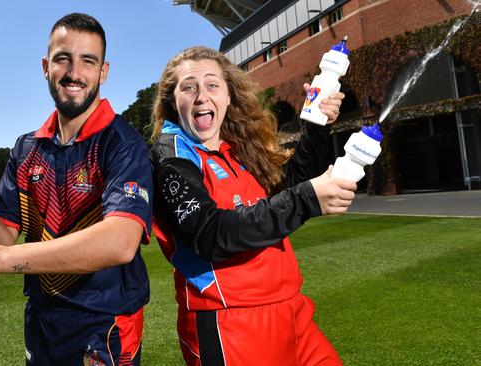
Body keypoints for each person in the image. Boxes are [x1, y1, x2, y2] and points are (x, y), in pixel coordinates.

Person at [0, 13, 152, 366]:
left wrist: (1, 259)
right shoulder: (27, 149)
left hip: (105, 325)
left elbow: (121, 242)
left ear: (103, 72)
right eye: (63, 59)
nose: (74, 72)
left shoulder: (123, 145)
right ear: (45, 66)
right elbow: (7, 231)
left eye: (88, 61)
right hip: (41, 319)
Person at [150, 46, 356, 366]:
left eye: (212, 84)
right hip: (231, 323)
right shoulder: (172, 154)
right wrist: (307, 200)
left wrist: (316, 127)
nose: (202, 95)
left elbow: (286, 188)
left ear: (229, 96)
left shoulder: (236, 148)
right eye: (189, 87)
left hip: (291, 309)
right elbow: (211, 234)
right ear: (173, 102)